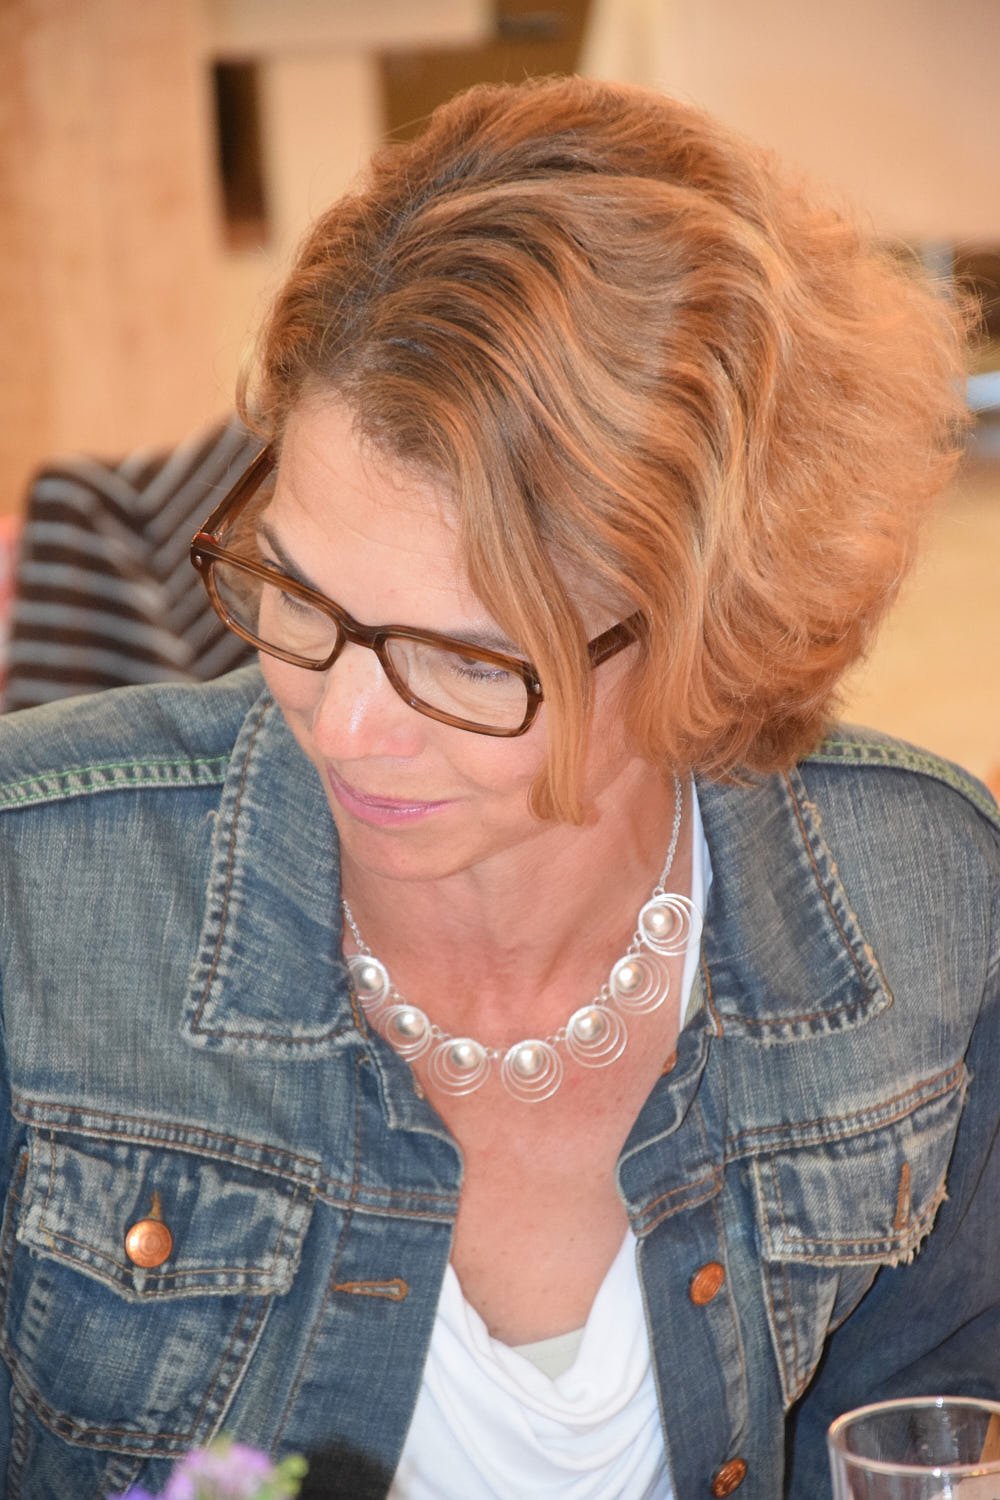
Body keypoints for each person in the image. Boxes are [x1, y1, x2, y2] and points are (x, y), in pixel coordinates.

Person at [0, 74, 997, 1500]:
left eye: (469, 661)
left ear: (716, 631)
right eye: (297, 590)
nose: (346, 725)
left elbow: (928, 1442)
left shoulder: (927, 899)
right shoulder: (36, 903)